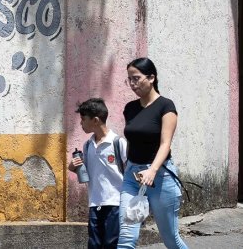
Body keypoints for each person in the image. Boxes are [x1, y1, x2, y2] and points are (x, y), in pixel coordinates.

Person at [118, 58, 187, 249]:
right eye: (129, 80)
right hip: (132, 177)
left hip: (161, 176)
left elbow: (165, 144)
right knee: (125, 238)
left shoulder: (166, 106)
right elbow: (134, 140)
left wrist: (152, 170)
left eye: (136, 79)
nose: (132, 84)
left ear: (151, 78)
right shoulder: (130, 108)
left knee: (171, 239)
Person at [69, 98, 128, 249]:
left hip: (115, 203)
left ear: (95, 120)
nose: (81, 123)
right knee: (94, 244)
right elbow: (86, 173)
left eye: (83, 119)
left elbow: (130, 171)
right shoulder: (88, 145)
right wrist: (73, 167)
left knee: (111, 244)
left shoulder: (118, 143)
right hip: (95, 203)